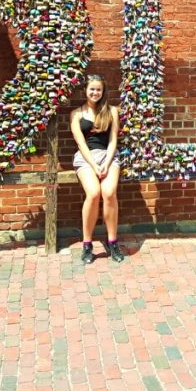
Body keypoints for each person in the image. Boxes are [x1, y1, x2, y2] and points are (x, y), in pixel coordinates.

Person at [70, 74, 124, 264]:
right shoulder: (77, 114)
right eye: (92, 89)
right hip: (86, 159)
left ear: (103, 91)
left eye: (98, 89)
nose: (95, 92)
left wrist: (107, 163)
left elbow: (113, 140)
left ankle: (112, 241)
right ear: (86, 90)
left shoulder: (112, 111)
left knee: (109, 193)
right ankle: (87, 244)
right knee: (93, 193)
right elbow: (81, 143)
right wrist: (94, 165)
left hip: (108, 157)